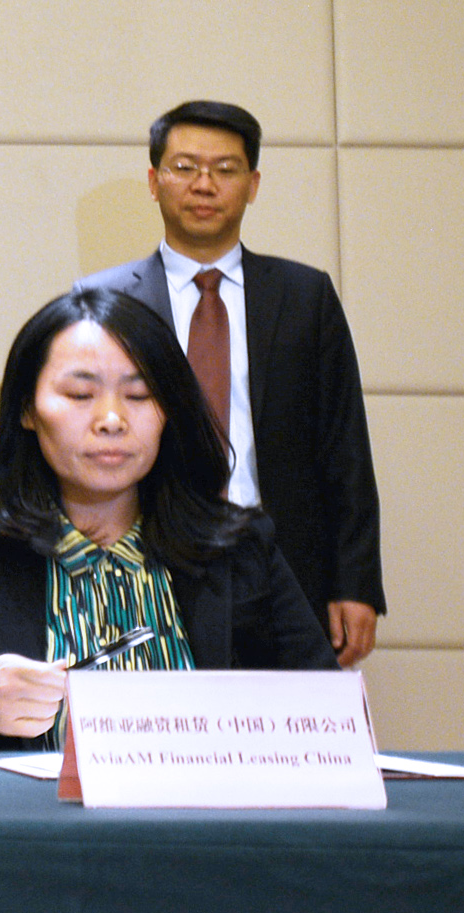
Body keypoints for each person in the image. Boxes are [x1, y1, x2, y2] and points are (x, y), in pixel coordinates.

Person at [0, 288, 338, 757]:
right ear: (27, 409)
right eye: (81, 394)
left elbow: (329, 712)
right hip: (28, 811)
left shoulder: (237, 545)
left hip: (207, 808)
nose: (111, 419)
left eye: (139, 395)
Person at [78, 100, 385, 667]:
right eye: (185, 167)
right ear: (154, 181)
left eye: (225, 169)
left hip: (282, 561)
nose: (204, 184)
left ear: (253, 184)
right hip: (147, 558)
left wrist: (356, 582)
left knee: (290, 717)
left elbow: (344, 446)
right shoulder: (105, 299)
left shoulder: (305, 297)